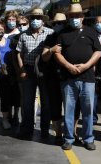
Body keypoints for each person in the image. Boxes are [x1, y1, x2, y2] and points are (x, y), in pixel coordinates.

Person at [54, 3, 101, 151]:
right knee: (68, 110)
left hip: (87, 78)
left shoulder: (91, 32)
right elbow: (57, 53)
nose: (75, 18)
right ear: (68, 18)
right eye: (72, 16)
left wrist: (86, 65)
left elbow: (98, 52)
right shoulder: (63, 33)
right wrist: (68, 66)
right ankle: (68, 138)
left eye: (77, 16)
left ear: (82, 17)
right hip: (68, 78)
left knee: (87, 111)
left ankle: (88, 138)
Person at [16, 8, 54, 139]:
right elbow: (19, 54)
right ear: (30, 20)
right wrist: (22, 69)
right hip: (29, 70)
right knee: (27, 102)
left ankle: (44, 130)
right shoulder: (23, 35)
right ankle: (27, 129)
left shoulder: (50, 33)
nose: (36, 20)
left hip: (45, 71)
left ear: (43, 20)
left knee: (46, 102)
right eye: (33, 18)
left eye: (38, 18)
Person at [41, 12, 66, 142]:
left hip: (68, 77)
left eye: (61, 23)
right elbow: (44, 57)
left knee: (71, 108)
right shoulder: (50, 38)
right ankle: (58, 135)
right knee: (55, 107)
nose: (58, 25)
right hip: (53, 77)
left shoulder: (71, 36)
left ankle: (70, 134)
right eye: (56, 23)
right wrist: (52, 50)